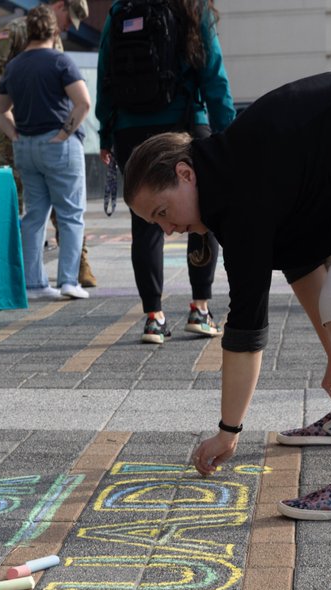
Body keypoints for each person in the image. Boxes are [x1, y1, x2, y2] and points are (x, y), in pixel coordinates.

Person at [124, 70, 331, 520]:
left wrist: (228, 433)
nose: (167, 230)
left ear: (185, 174)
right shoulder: (228, 171)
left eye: (163, 213)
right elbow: (301, 261)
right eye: (156, 224)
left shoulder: (237, 194)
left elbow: (245, 330)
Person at [96, 0, 234, 345]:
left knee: (146, 224)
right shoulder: (190, 7)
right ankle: (199, 307)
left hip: (130, 128)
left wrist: (106, 133)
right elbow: (213, 72)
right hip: (184, 121)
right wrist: (227, 134)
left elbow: (104, 74)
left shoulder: (120, 10)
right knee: (203, 213)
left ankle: (153, 317)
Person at [0, 0, 98, 289]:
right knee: (67, 213)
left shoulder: (21, 61)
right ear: (59, 7)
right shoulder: (36, 43)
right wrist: (63, 133)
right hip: (48, 139)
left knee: (34, 213)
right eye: (69, 18)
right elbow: (82, 102)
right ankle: (68, 278)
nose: (69, 26)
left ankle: (33, 281)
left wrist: (13, 119)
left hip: (24, 140)